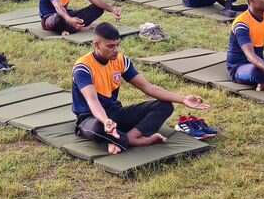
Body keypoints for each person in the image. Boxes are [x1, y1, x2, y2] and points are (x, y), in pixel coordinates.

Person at [72, 22, 209, 154]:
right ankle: (129, 139)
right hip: (90, 118)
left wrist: (183, 99)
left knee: (165, 106)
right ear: (96, 45)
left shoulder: (120, 60)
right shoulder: (83, 67)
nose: (116, 50)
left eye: (117, 45)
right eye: (110, 46)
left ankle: (129, 138)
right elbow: (92, 101)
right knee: (98, 127)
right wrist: (106, 121)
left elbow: (148, 87)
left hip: (115, 113)